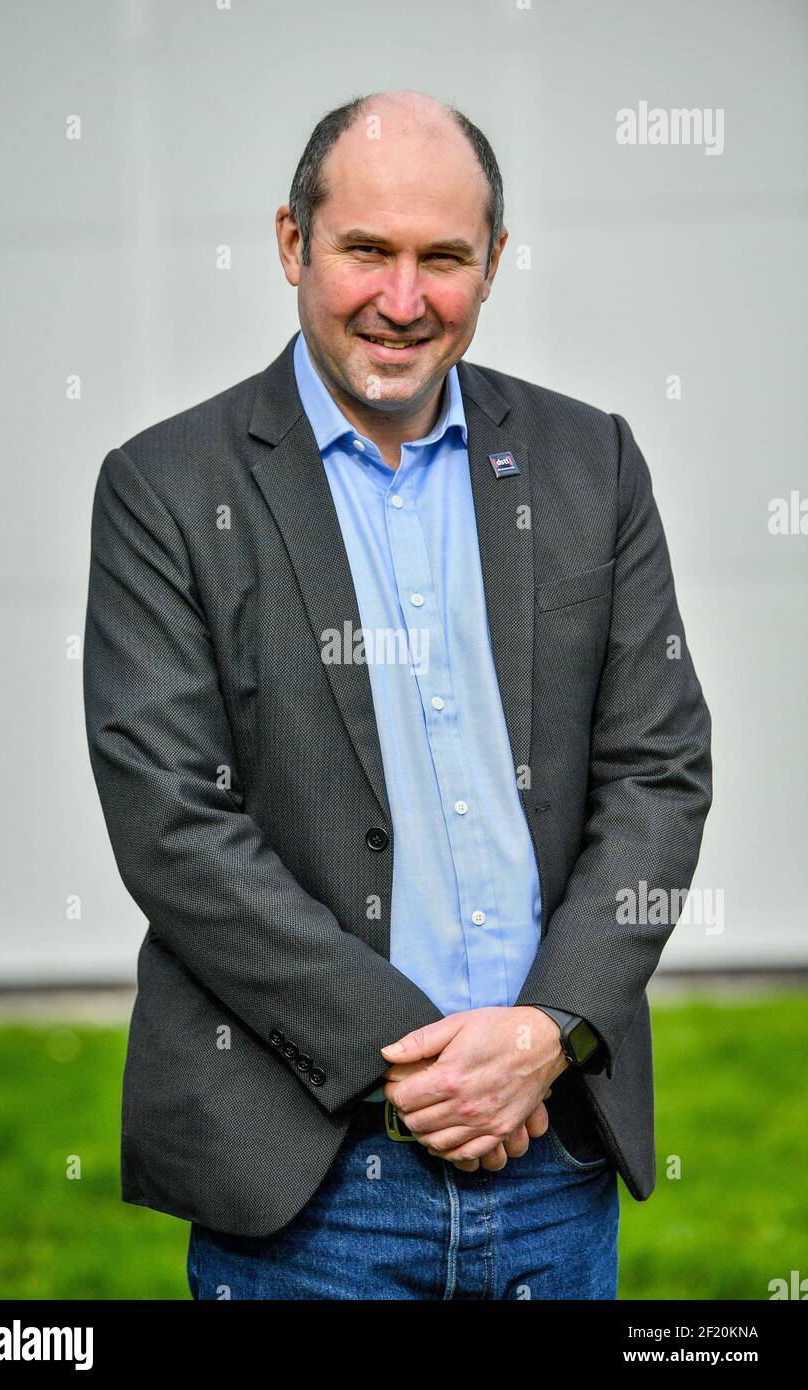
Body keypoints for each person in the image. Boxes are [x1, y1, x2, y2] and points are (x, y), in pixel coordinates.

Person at [83, 89, 712, 1300]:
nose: (403, 298)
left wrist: (543, 1033)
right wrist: (420, 1065)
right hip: (313, 1193)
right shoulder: (165, 490)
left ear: (494, 264)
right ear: (289, 244)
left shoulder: (594, 463)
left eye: (444, 258)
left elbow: (658, 769)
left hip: (553, 1165)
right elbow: (174, 824)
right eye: (366, 249)